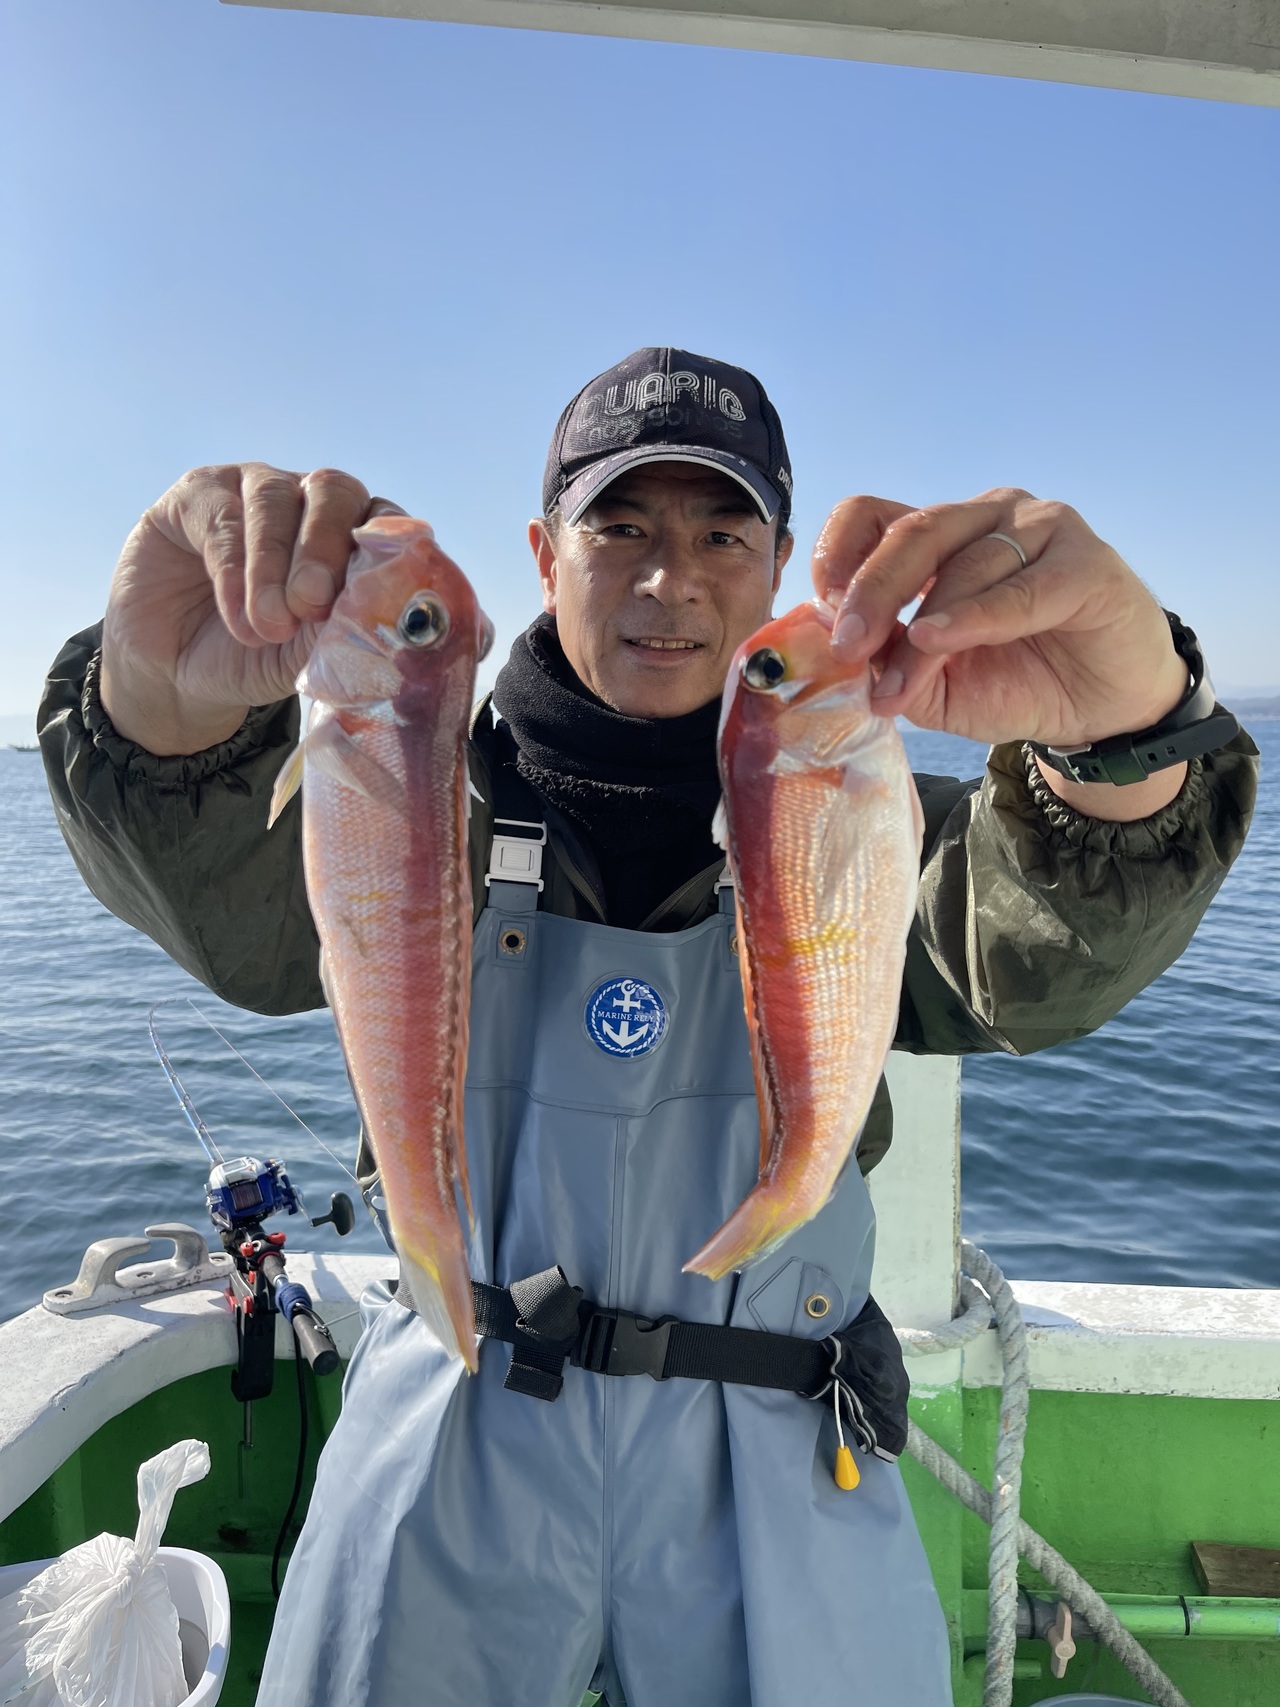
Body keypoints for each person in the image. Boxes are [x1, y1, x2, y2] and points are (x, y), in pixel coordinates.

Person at [39, 348, 1256, 1706]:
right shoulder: (409, 782)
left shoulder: (866, 819)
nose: (670, 578)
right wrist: (158, 704)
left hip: (782, 1433)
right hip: (457, 1401)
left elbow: (1028, 955)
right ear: (543, 553)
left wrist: (1127, 738)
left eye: (723, 534)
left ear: (781, 560)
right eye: (618, 526)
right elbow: (236, 908)